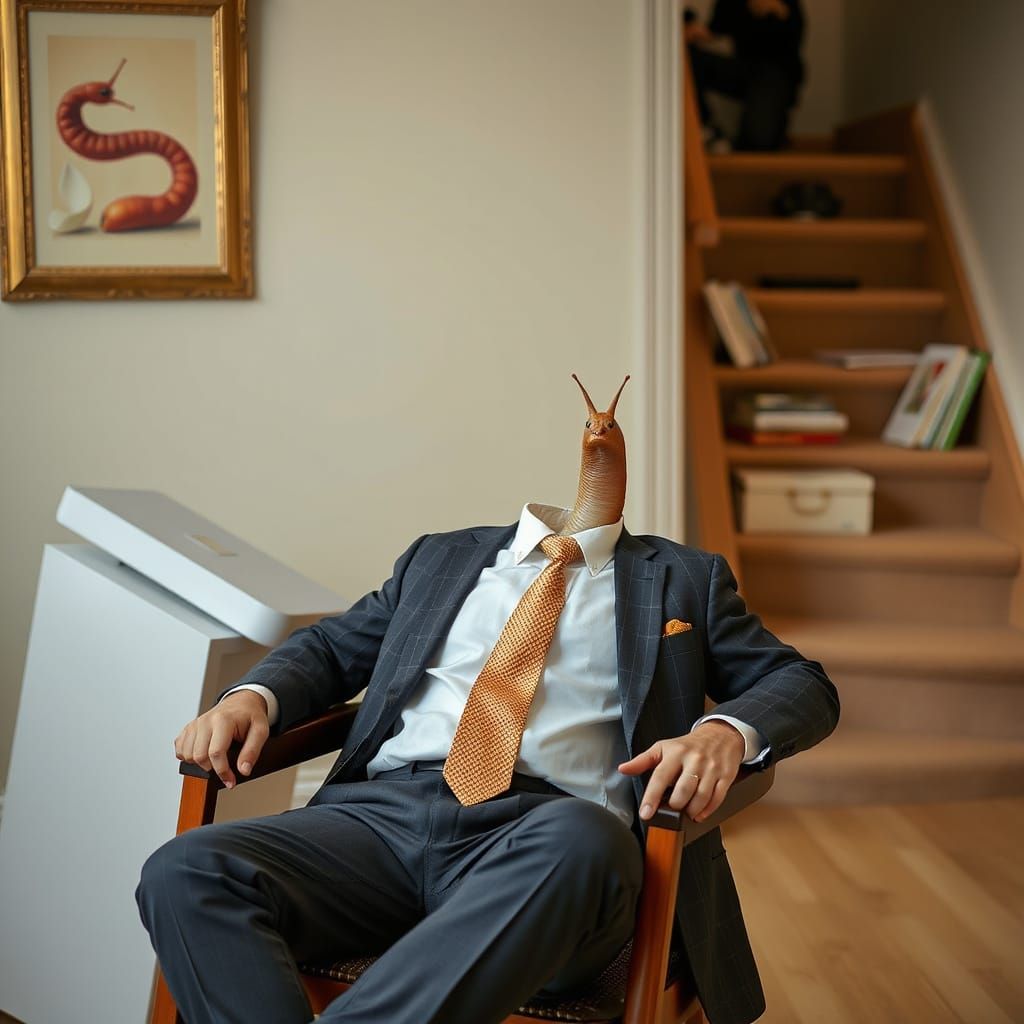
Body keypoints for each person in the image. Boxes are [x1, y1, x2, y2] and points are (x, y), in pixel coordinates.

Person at [137, 376, 839, 1024]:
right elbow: (329, 650)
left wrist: (724, 731)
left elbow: (803, 683)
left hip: (547, 840)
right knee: (187, 869)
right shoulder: (440, 558)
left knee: (585, 839)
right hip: (376, 825)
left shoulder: (684, 578)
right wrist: (253, 696)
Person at [686, 0, 805, 151]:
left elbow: (796, 33)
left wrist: (779, 12)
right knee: (690, 59)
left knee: (757, 142)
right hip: (743, 68)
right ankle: (708, 130)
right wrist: (691, 32)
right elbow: (714, 28)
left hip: (777, 72)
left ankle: (773, 130)